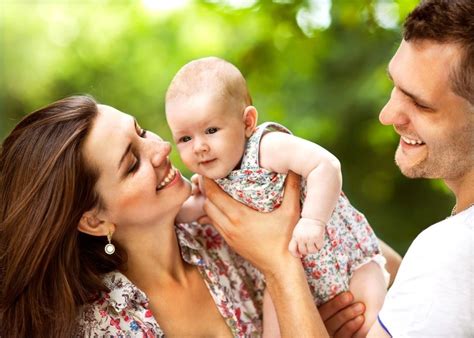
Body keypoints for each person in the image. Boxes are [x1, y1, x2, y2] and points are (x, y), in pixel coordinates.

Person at [203, 0, 473, 336]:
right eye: (395, 86)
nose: (387, 115)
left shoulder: (450, 253)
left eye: (419, 103)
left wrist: (279, 265)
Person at [0, 95, 325, 337]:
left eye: (141, 132)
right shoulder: (104, 328)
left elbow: (364, 250)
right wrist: (281, 265)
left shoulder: (225, 224)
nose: (161, 148)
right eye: (132, 164)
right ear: (95, 221)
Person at [165, 56, 389, 336]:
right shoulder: (213, 183)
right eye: (185, 139)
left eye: (211, 130)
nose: (199, 147)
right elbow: (188, 212)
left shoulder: (266, 147)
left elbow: (325, 166)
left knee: (374, 323)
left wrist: (312, 221)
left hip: (345, 258)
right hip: (285, 276)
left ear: (247, 122)